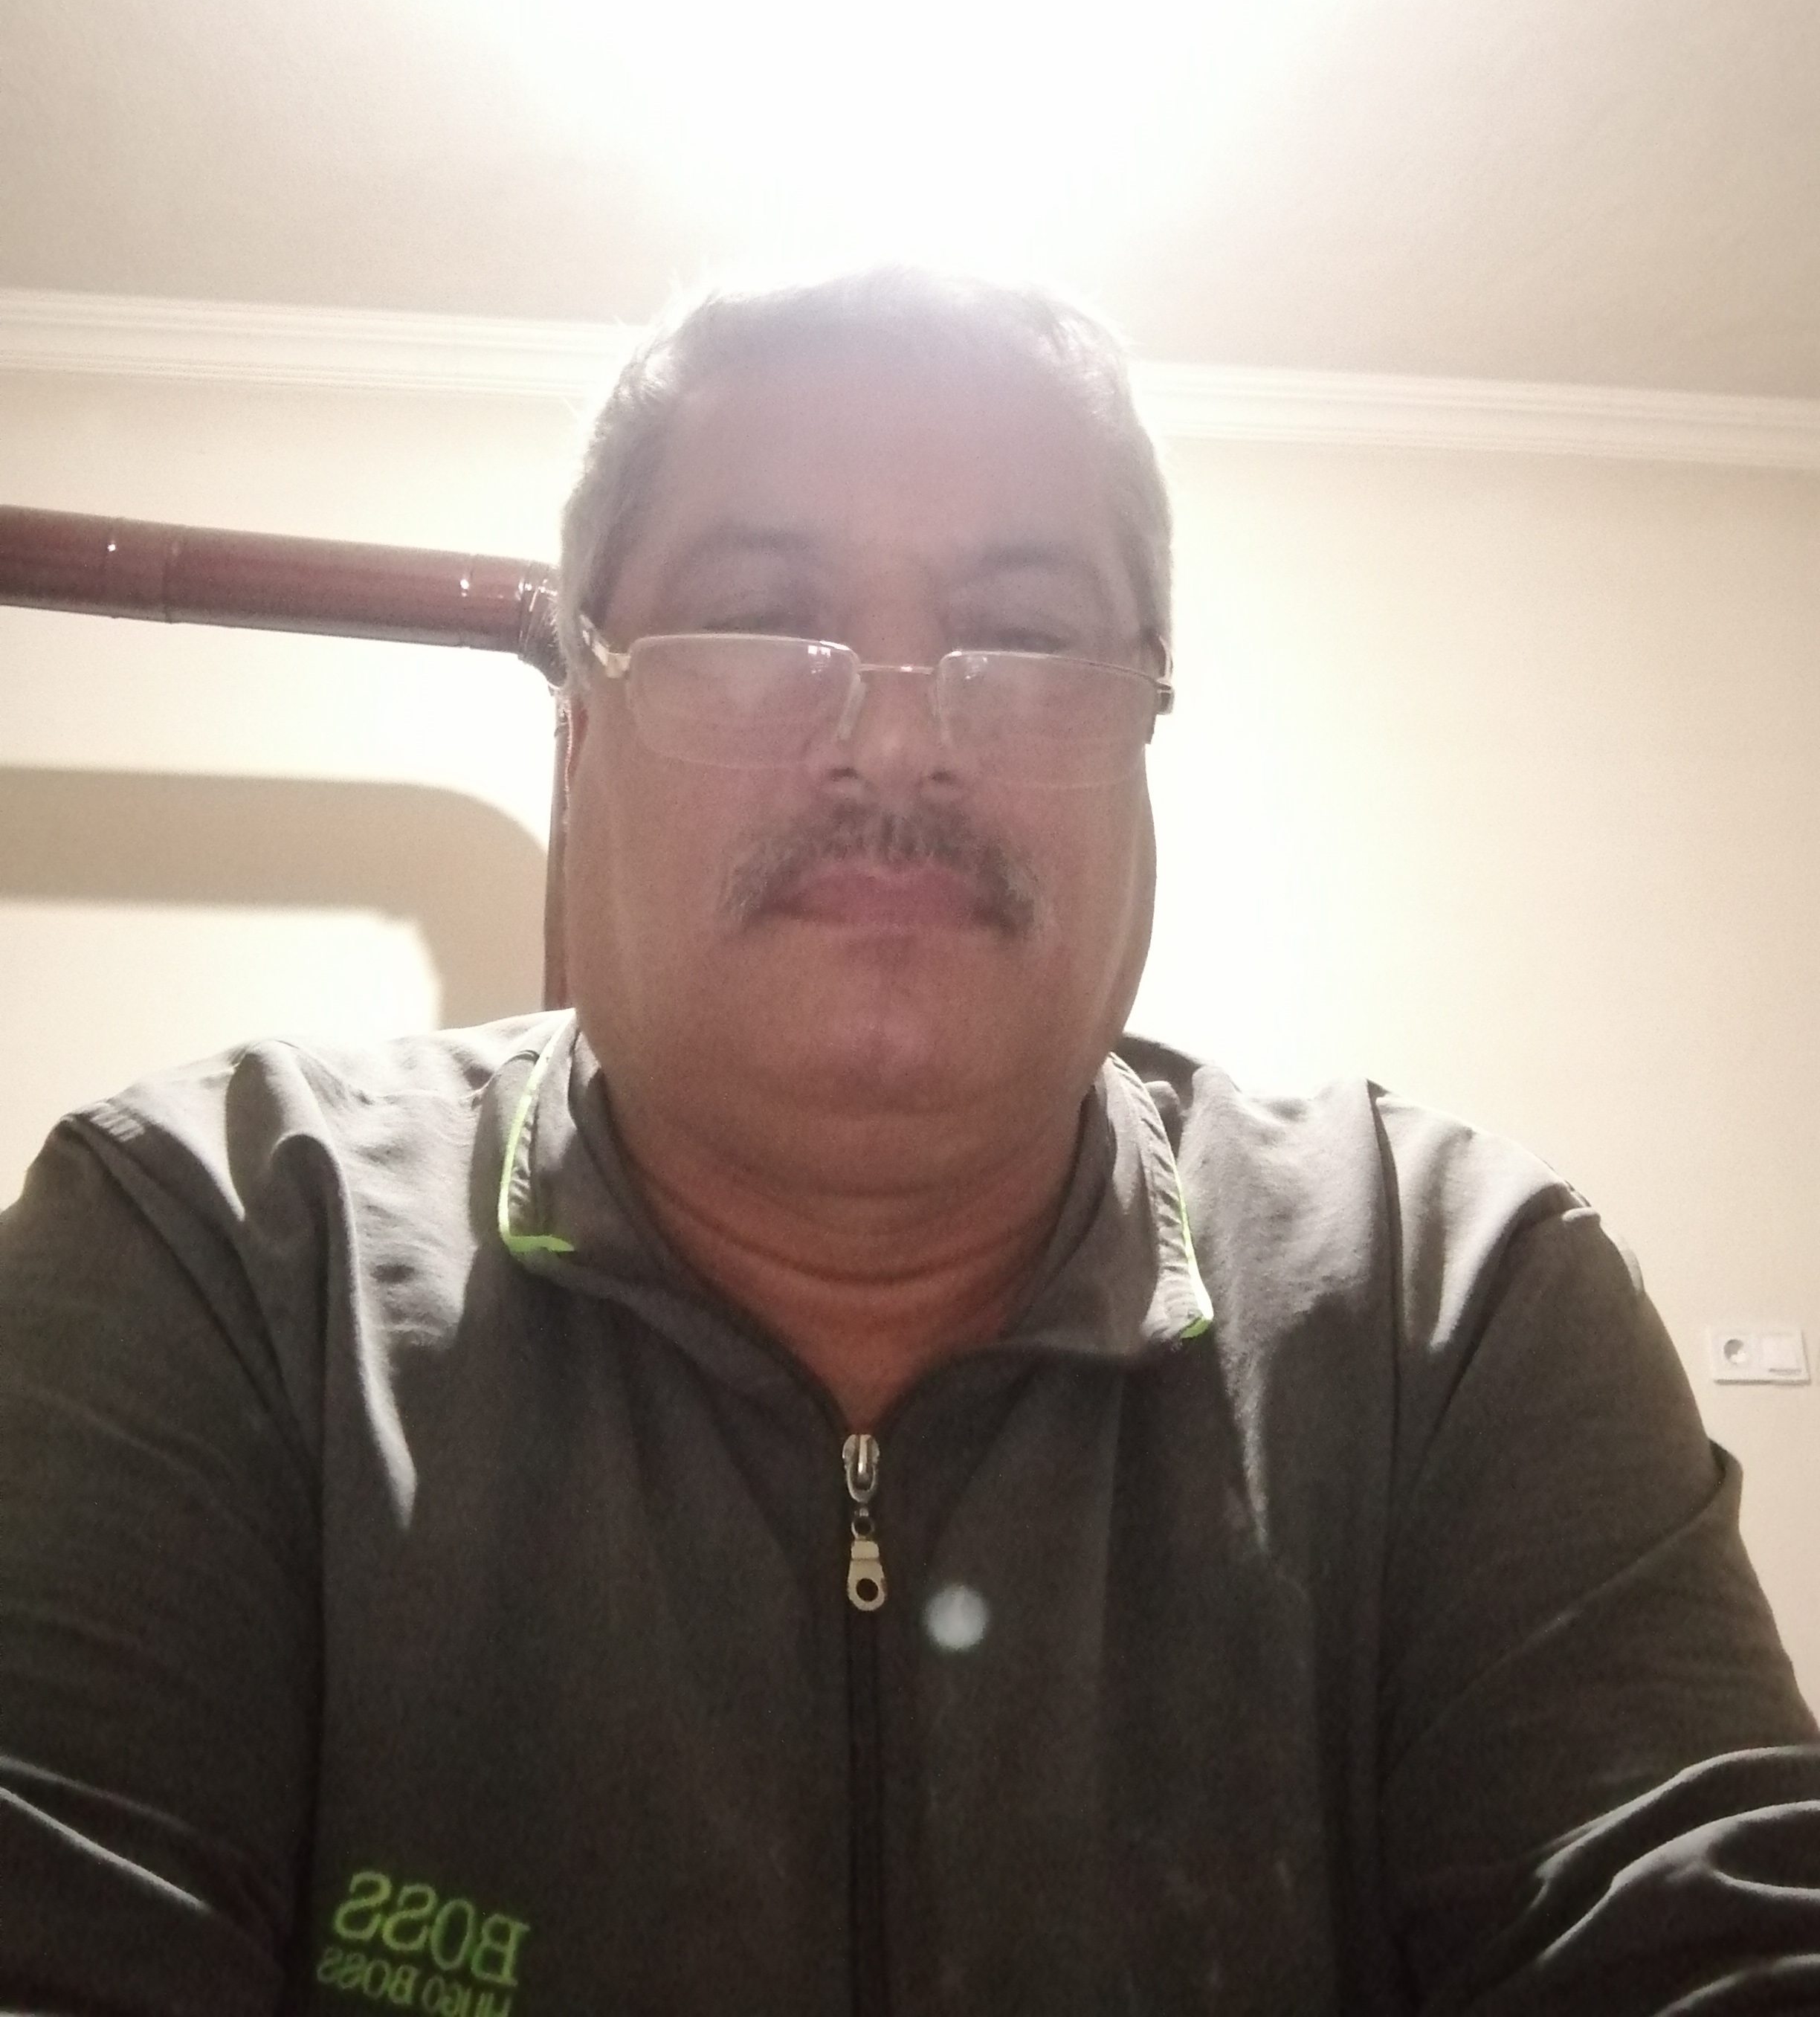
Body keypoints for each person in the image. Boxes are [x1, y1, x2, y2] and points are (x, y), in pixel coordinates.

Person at [1, 267, 1816, 2017]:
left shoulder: (1452, 1306)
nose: (891, 743)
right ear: (579, 721)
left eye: (1021, 639)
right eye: (752, 618)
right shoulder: (219, 1255)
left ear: (1148, 719)